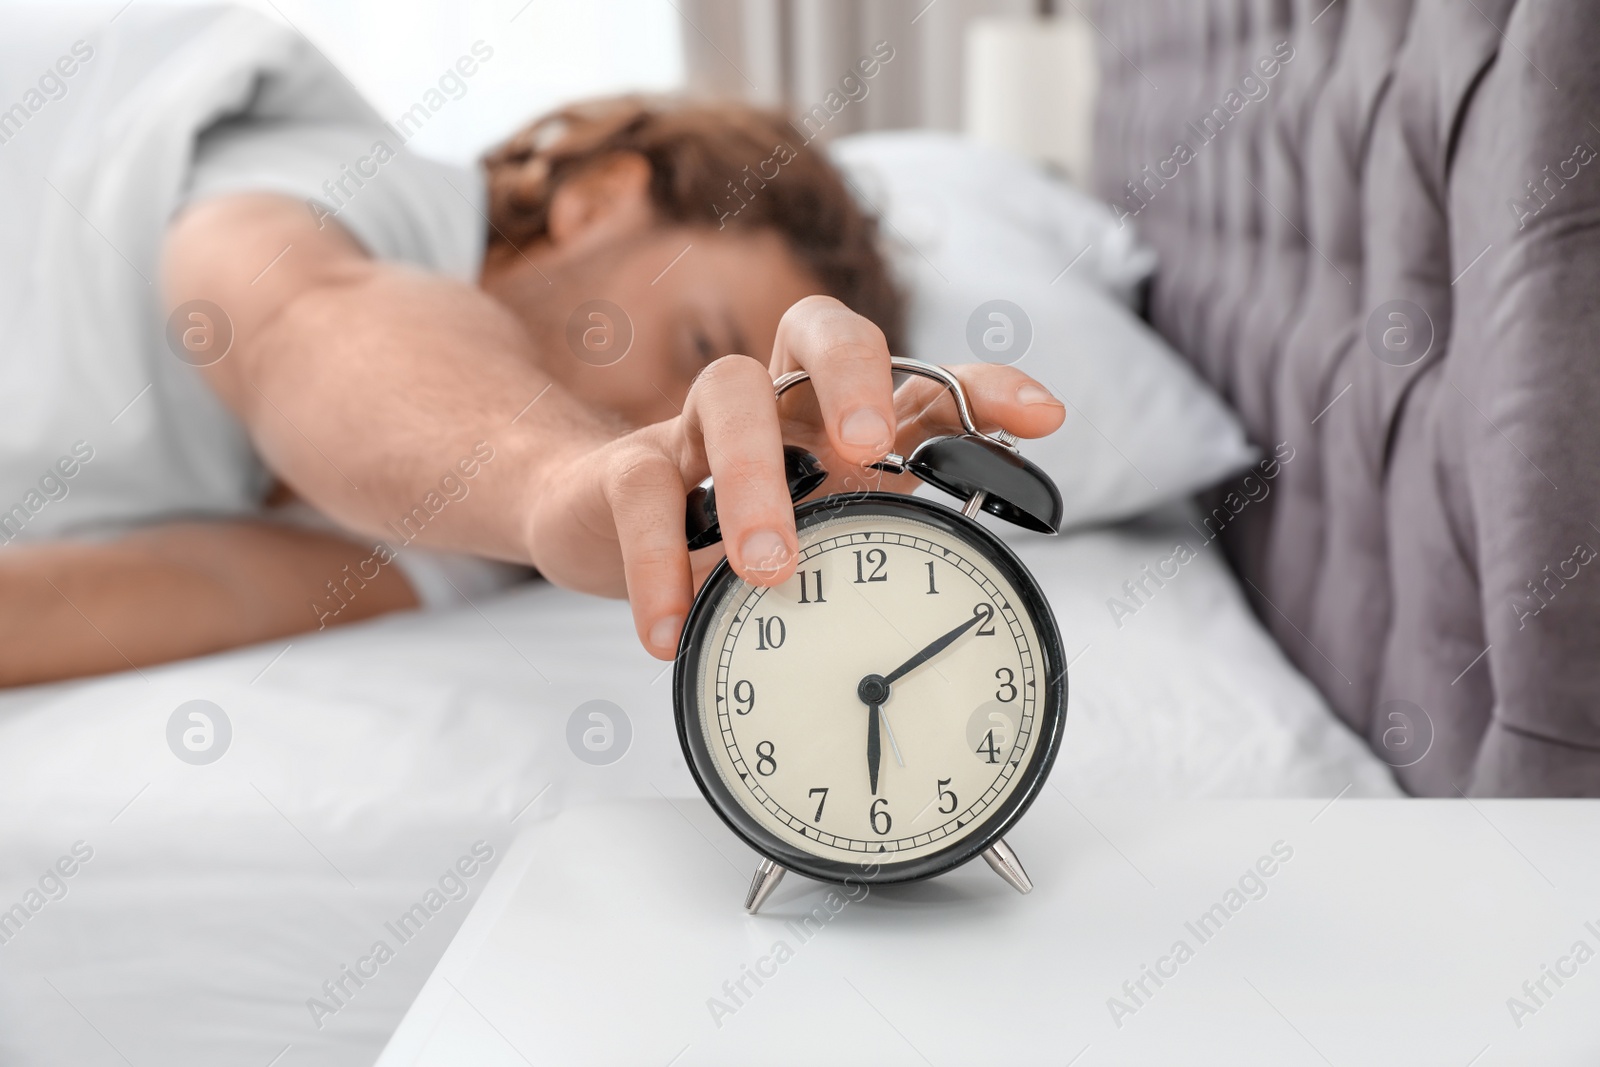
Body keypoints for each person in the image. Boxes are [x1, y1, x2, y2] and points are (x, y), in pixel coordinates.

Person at [0, 92, 1064, 687]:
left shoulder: (516, 550)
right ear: (598, 199)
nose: (675, 412)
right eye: (697, 339)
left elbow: (185, 593)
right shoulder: (346, 185)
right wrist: (564, 476)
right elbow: (294, 320)